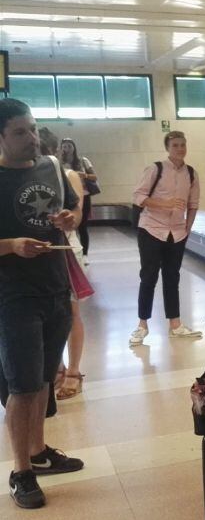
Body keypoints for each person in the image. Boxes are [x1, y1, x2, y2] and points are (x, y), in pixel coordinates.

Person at [0, 99, 85, 509]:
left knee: (44, 380)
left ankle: (38, 451)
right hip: (13, 297)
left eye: (33, 128)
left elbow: (73, 209)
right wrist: (12, 245)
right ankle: (21, 471)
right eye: (20, 132)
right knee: (22, 385)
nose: (31, 137)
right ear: (1, 136)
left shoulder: (50, 166)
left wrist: (71, 217)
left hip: (55, 287)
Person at [129, 131, 201, 346]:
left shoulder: (191, 173)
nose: (180, 148)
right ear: (168, 148)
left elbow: (193, 203)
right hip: (152, 229)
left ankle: (175, 324)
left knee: (173, 277)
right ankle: (142, 324)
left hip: (177, 232)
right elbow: (139, 197)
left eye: (183, 144)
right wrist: (165, 204)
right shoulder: (155, 169)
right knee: (149, 276)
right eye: (176, 145)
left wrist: (188, 227)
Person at [38, 129, 93, 402]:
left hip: (67, 248)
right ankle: (57, 366)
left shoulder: (67, 175)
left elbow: (77, 214)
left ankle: (73, 371)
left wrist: (66, 217)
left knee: (70, 311)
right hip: (41, 251)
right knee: (49, 311)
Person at [59, 137, 96, 260]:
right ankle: (69, 254)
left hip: (83, 196)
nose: (67, 149)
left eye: (69, 146)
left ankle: (85, 254)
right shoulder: (59, 163)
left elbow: (94, 177)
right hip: (66, 197)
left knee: (82, 226)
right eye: (64, 146)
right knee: (68, 225)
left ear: (74, 147)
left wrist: (83, 175)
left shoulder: (83, 161)